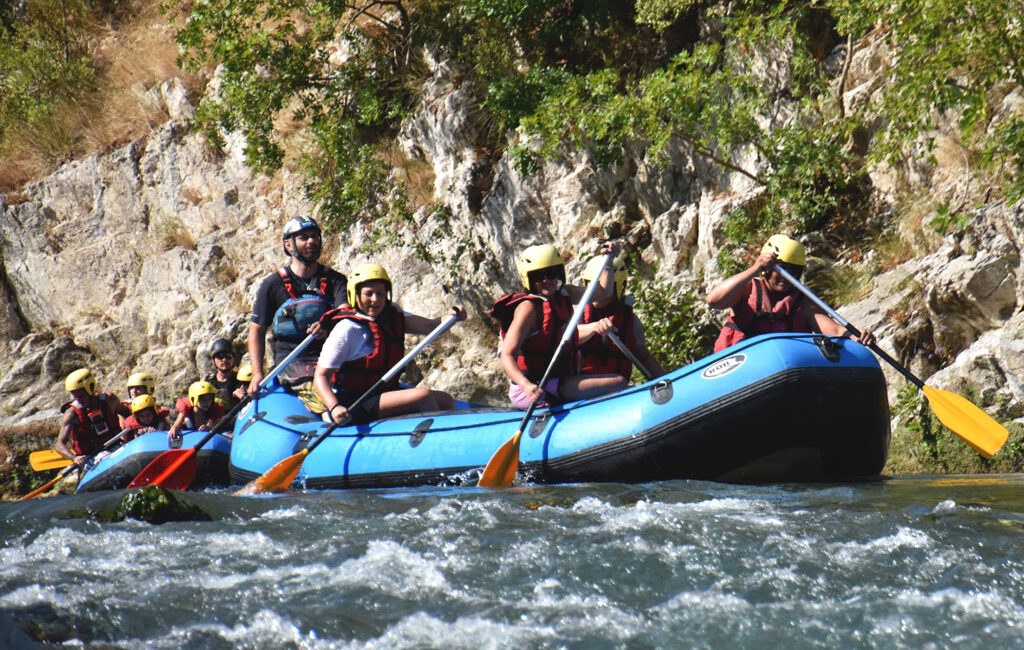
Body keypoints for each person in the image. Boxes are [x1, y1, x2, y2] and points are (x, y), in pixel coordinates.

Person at [309, 263, 466, 425]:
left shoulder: (392, 317)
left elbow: (431, 327)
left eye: (380, 293)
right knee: (422, 396)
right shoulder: (346, 329)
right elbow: (320, 377)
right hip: (353, 401)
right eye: (368, 294)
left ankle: (451, 435)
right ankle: (437, 438)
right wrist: (334, 407)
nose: (375, 300)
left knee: (445, 400)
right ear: (355, 294)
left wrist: (453, 316)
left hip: (385, 392)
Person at [491, 242, 626, 409]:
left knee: (615, 381)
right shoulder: (528, 309)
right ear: (529, 279)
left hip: (558, 379)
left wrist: (609, 261)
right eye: (538, 276)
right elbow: (506, 356)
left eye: (552, 274)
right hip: (532, 388)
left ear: (560, 273)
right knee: (618, 382)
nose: (547, 280)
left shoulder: (565, 294)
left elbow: (603, 292)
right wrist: (526, 385)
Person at [706, 234, 875, 351]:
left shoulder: (804, 302)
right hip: (741, 367)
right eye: (782, 269)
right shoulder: (747, 289)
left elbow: (835, 330)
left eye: (794, 271)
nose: (788, 276)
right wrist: (755, 268)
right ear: (768, 268)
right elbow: (714, 300)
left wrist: (856, 336)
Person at [247, 215, 348, 395]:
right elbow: (257, 330)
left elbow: (344, 312)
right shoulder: (272, 285)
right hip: (293, 362)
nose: (311, 241)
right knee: (322, 391)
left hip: (331, 357)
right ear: (288, 244)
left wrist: (327, 324)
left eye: (314, 236)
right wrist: (257, 374)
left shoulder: (336, 281)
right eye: (303, 238)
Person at [576, 255, 666, 381]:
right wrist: (593, 327)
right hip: (581, 387)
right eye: (592, 285)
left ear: (618, 287)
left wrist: (666, 382)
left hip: (617, 392)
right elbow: (569, 337)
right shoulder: (577, 313)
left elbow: (644, 357)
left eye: (603, 287)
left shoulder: (631, 321)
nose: (596, 292)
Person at [55, 368, 124, 465]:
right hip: (92, 457)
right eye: (75, 397)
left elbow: (126, 413)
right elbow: (59, 444)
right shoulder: (72, 414)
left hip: (116, 445)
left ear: (90, 388)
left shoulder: (109, 399)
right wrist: (74, 458)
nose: (78, 400)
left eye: (81, 396)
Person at [167, 381, 227, 446]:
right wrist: (174, 429)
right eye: (204, 400)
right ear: (193, 399)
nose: (207, 403)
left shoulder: (214, 412)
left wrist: (208, 428)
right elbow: (175, 427)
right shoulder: (186, 411)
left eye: (210, 399)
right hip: (188, 443)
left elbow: (215, 428)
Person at [205, 338, 245, 409]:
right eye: (220, 356)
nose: (224, 359)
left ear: (234, 359)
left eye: (228, 355)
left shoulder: (241, 381)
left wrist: (244, 396)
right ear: (213, 361)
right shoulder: (207, 382)